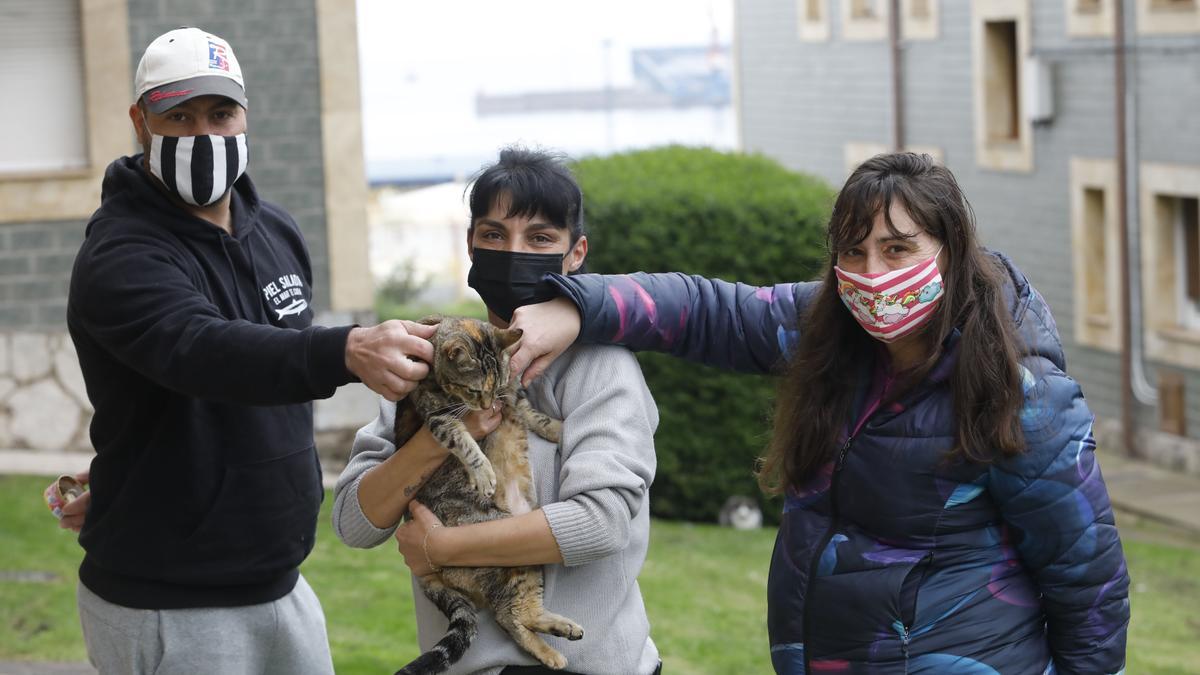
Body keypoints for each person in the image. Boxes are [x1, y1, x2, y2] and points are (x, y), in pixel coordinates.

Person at [507, 153, 1130, 673]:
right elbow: (705, 310)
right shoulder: (828, 330)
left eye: (898, 249)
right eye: (853, 252)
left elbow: (1089, 584)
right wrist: (578, 306)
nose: (872, 273)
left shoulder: (1023, 396)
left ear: (953, 250)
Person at [64, 27, 434, 674]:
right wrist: (344, 350)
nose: (204, 132)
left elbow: (266, 375)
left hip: (282, 583)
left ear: (245, 115)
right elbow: (202, 348)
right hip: (170, 603)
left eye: (220, 112)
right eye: (179, 115)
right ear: (140, 121)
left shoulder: (278, 230)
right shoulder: (120, 254)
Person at [332, 147, 663, 675]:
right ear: (470, 245)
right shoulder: (433, 358)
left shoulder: (602, 369)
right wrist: (438, 437)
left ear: (575, 253)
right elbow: (354, 522)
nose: (513, 252)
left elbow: (600, 524)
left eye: (539, 238)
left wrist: (439, 547)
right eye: (493, 235)